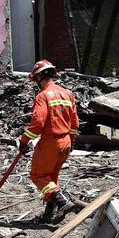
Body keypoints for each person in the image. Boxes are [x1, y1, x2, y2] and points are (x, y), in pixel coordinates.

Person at [18, 61, 80, 225]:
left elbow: (38, 123)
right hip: (65, 141)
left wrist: (23, 140)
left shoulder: (43, 95)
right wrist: (71, 142)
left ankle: (63, 203)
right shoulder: (67, 94)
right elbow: (75, 124)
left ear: (39, 76)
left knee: (38, 176)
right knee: (51, 178)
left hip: (51, 142)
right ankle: (49, 215)